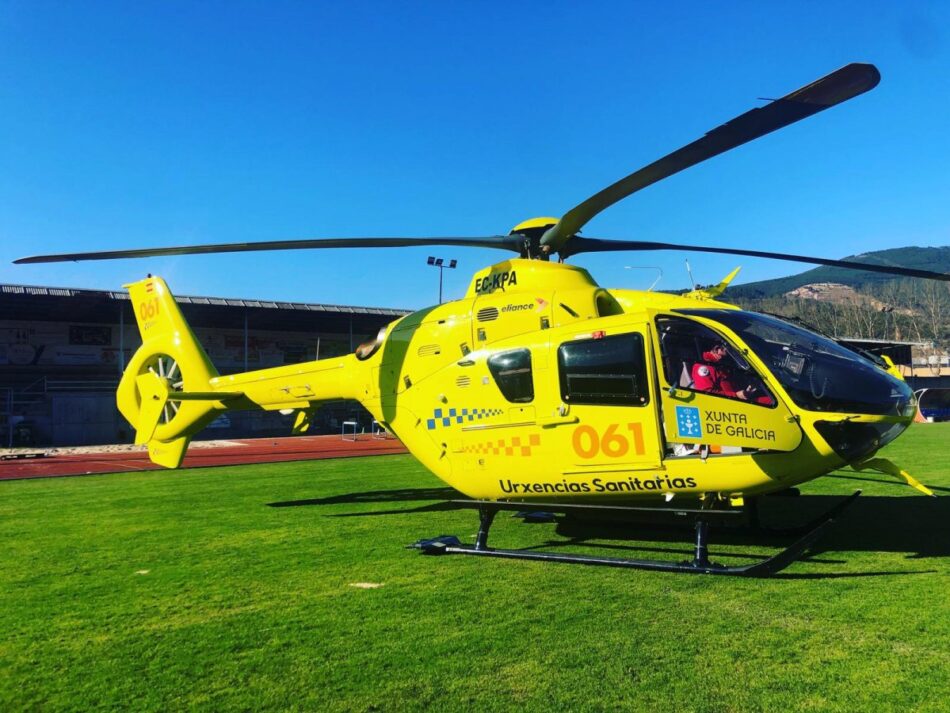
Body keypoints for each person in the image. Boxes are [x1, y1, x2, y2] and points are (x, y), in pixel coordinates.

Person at [692, 342, 772, 405]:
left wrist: (746, 391)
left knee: (769, 398)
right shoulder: (703, 367)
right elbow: (707, 394)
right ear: (717, 349)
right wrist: (736, 395)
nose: (728, 355)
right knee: (769, 402)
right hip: (729, 405)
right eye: (726, 351)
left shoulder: (721, 364)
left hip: (737, 401)